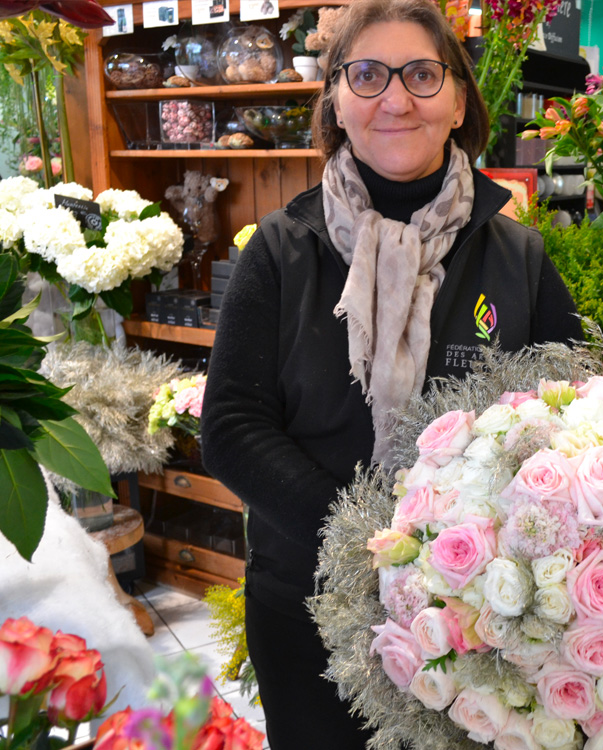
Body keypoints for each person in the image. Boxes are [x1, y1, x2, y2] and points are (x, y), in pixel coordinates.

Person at [201, 0, 582, 746]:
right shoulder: (281, 252)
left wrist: (455, 567)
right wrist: (380, 544)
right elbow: (232, 429)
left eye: (422, 74)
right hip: (309, 604)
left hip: (479, 620)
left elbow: (570, 424)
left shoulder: (518, 258)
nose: (396, 99)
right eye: (368, 75)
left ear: (459, 100)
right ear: (337, 102)